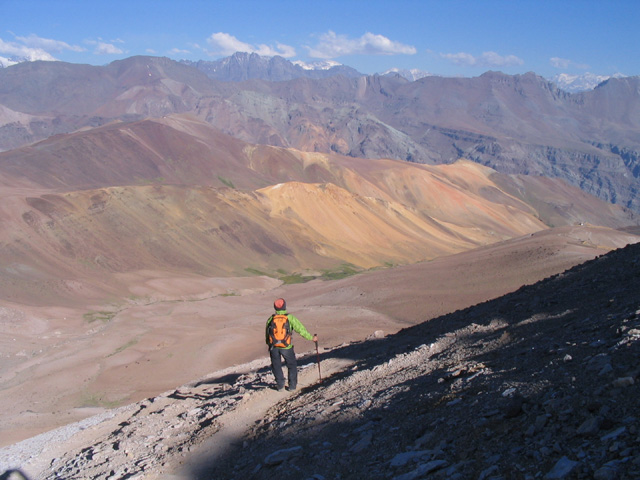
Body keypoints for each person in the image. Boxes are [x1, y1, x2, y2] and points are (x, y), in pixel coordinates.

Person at [266, 298, 317, 391]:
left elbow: (267, 333)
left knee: (276, 365)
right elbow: (300, 329)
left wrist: (269, 344)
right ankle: (292, 386)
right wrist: (311, 338)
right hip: (286, 346)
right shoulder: (290, 318)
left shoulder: (271, 319)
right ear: (285, 306)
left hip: (274, 347)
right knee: (291, 365)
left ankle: (280, 385)